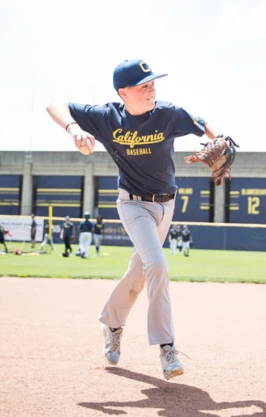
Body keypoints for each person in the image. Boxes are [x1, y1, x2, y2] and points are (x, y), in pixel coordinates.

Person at [45, 59, 224, 380]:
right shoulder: (106, 117)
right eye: (144, 85)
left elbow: (207, 126)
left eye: (153, 83)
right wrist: (75, 129)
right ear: (123, 93)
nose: (152, 88)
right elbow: (53, 104)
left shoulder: (168, 114)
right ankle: (166, 347)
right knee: (157, 264)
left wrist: (219, 140)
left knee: (140, 273)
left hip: (166, 205)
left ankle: (111, 322)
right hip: (133, 205)